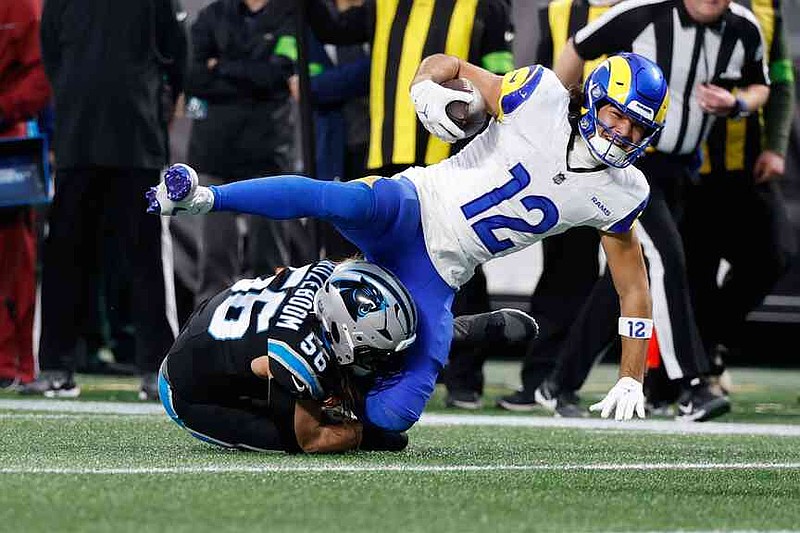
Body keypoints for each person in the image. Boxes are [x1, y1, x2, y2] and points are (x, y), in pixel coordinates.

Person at [148, 50, 669, 429]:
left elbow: (633, 289)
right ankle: (206, 197)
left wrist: (631, 376)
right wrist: (425, 87)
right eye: (616, 115)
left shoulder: (622, 191)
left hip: (441, 271)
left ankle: (429, 339)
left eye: (636, 128)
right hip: (414, 204)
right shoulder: (540, 96)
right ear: (593, 98)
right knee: (339, 200)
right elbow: (451, 64)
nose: (622, 133)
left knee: (392, 416)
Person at [531, 0, 771, 421]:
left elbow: (761, 86)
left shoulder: (744, 28)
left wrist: (736, 105)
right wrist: (555, 114)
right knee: (666, 261)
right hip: (633, 165)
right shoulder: (643, 11)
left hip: (683, 169)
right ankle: (692, 385)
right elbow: (577, 46)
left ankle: (559, 383)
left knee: (625, 281)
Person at [159, 258, 535, 452]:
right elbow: (309, 439)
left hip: (231, 322)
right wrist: (358, 430)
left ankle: (451, 331)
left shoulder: (334, 277)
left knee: (367, 355)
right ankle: (444, 337)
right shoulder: (297, 353)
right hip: (190, 390)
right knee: (295, 441)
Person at [20, 0, 188, 400]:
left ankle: (157, 368)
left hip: (129, 141)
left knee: (141, 259)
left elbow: (177, 54)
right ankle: (58, 367)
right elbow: (52, 54)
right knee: (67, 258)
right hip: (92, 139)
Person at [683, 0, 797, 383]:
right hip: (685, 165)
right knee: (694, 268)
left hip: (745, 162)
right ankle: (691, 373)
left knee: (773, 254)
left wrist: (776, 146)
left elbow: (779, 79)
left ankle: (709, 342)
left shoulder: (763, 9)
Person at [184, 0, 298, 304]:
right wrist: (253, 76)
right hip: (216, 155)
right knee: (215, 262)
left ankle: (274, 321)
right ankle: (211, 326)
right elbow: (193, 77)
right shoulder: (211, 16)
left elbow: (277, 74)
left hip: (268, 155)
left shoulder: (289, 15)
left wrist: (221, 67)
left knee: (271, 263)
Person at [0, 0, 51, 390]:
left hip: (6, 143)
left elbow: (42, 71)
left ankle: (11, 362)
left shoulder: (22, 5)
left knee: (11, 256)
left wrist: (4, 109)